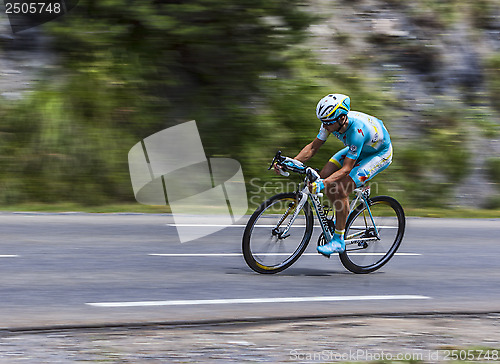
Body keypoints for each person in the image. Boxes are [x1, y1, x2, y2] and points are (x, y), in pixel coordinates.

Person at [275, 94, 393, 256]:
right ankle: (340, 213)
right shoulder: (331, 121)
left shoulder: (356, 132)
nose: (324, 126)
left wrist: (323, 184)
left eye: (328, 123)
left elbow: (346, 169)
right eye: (322, 122)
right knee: (323, 174)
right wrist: (291, 162)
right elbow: (313, 148)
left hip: (379, 154)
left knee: (340, 189)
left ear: (342, 119)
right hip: (359, 147)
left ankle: (338, 240)